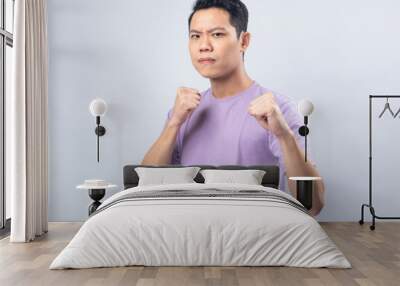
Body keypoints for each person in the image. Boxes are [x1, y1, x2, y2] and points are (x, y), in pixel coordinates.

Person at [141, 0, 325, 216]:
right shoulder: (183, 112)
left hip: (258, 239)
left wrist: (283, 135)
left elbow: (313, 204)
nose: (204, 45)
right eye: (195, 36)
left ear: (244, 41)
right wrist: (173, 123)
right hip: (193, 237)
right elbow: (144, 188)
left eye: (217, 34)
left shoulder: (277, 109)